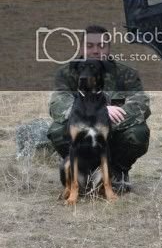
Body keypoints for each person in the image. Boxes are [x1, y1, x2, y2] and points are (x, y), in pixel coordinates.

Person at [47, 25, 151, 192]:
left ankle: (117, 173)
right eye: (89, 46)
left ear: (109, 48)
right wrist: (98, 113)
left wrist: (105, 121)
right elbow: (58, 103)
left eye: (101, 46)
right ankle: (77, 173)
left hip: (115, 129)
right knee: (57, 130)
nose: (95, 50)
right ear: (81, 48)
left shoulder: (126, 72)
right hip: (80, 130)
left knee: (138, 132)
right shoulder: (67, 72)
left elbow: (140, 103)